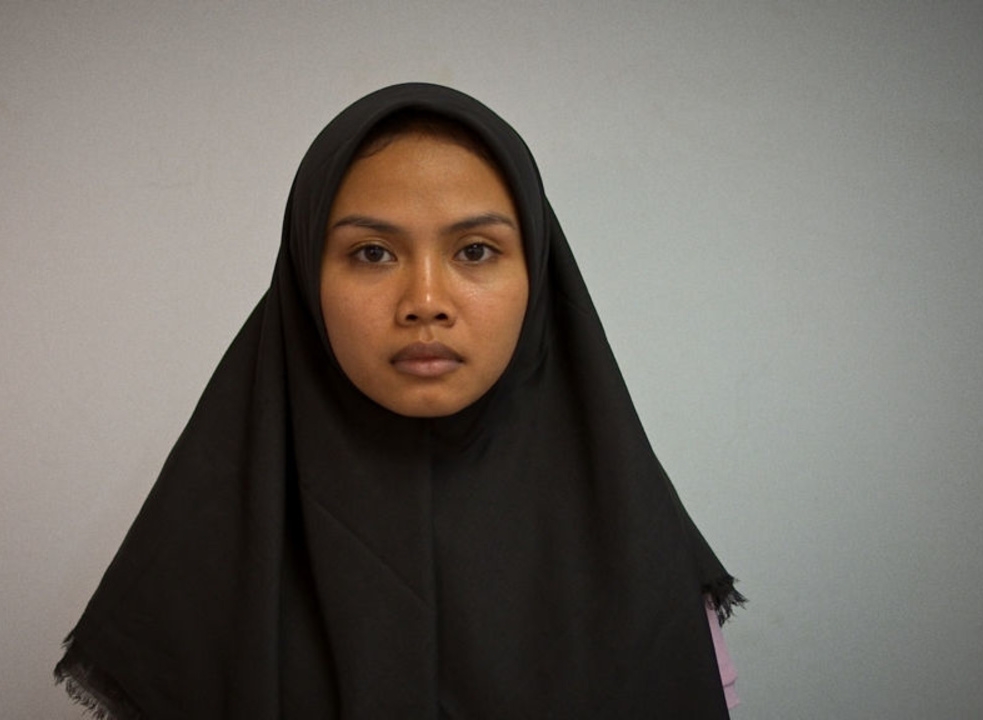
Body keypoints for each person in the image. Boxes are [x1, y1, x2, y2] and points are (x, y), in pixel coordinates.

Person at [55, 83, 742, 719]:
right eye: (373, 254)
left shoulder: (635, 553)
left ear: (536, 273)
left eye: (475, 251)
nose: (425, 303)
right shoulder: (200, 556)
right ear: (305, 277)